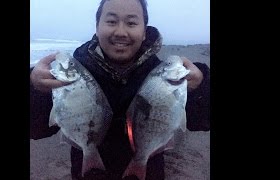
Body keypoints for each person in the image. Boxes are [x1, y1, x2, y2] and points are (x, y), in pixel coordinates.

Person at [30, 0, 210, 179]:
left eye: (131, 23)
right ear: (97, 27)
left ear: (144, 32)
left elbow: (202, 121)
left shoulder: (161, 76)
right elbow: (36, 130)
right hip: (89, 174)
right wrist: (35, 88)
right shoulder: (74, 74)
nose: (121, 32)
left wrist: (200, 86)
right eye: (111, 21)